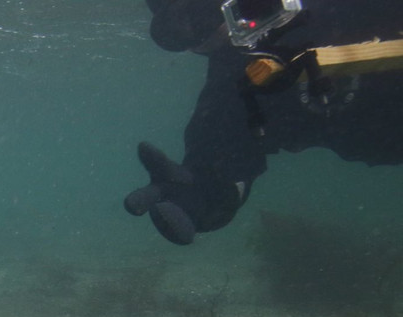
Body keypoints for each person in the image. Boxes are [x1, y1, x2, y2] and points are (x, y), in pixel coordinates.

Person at [125, 0, 403, 245]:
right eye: (175, 32)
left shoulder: (341, 7)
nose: (206, 36)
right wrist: (197, 196)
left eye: (200, 13)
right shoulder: (234, 89)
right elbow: (218, 161)